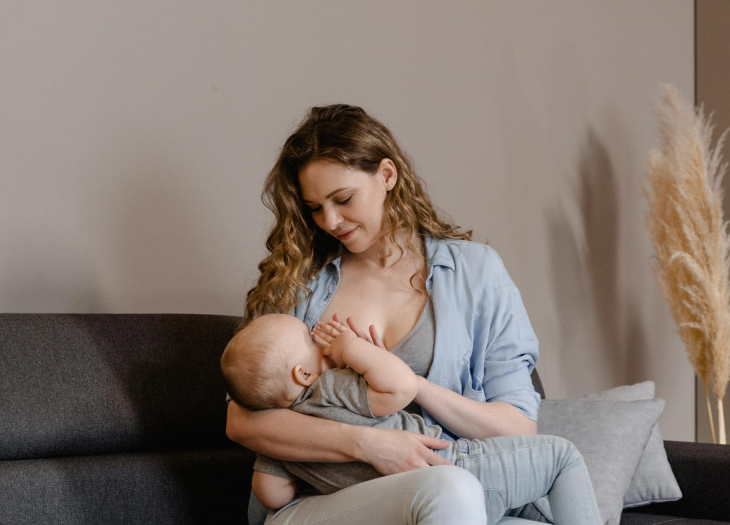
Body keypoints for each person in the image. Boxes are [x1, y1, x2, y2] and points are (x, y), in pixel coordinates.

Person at [225, 104, 548, 524]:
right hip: (321, 501)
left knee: (464, 495)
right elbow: (242, 422)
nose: (331, 221)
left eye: (343, 199)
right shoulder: (299, 280)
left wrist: (411, 384)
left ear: (387, 175)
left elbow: (518, 428)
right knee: (452, 489)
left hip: (445, 490)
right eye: (315, 208)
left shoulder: (476, 272)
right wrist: (368, 445)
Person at [222, 313, 601, 525]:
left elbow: (272, 494)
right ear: (302, 375)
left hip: (423, 502)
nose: (318, 334)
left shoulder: (281, 439)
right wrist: (352, 349)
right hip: (454, 462)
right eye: (309, 335)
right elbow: (401, 387)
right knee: (561, 456)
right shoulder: (330, 387)